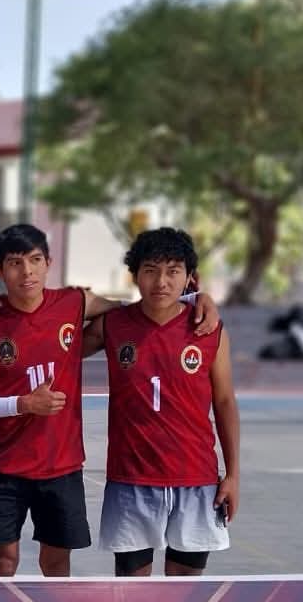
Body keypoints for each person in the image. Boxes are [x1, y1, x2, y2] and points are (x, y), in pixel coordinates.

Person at [0, 224, 219, 577]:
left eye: (35, 260)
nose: (27, 271)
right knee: (3, 561)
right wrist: (22, 404)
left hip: (61, 465)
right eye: (15, 263)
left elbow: (138, 308)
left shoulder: (74, 302)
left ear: (48, 263)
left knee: (56, 562)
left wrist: (195, 299)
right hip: (1, 464)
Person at [87, 227, 239, 577]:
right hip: (131, 479)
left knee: (185, 593)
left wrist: (233, 475)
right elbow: (59, 336)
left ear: (189, 277)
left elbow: (225, 402)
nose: (161, 282)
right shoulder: (113, 325)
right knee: (133, 592)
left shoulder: (208, 329)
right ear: (135, 274)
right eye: (151, 270)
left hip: (196, 478)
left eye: (173, 271)